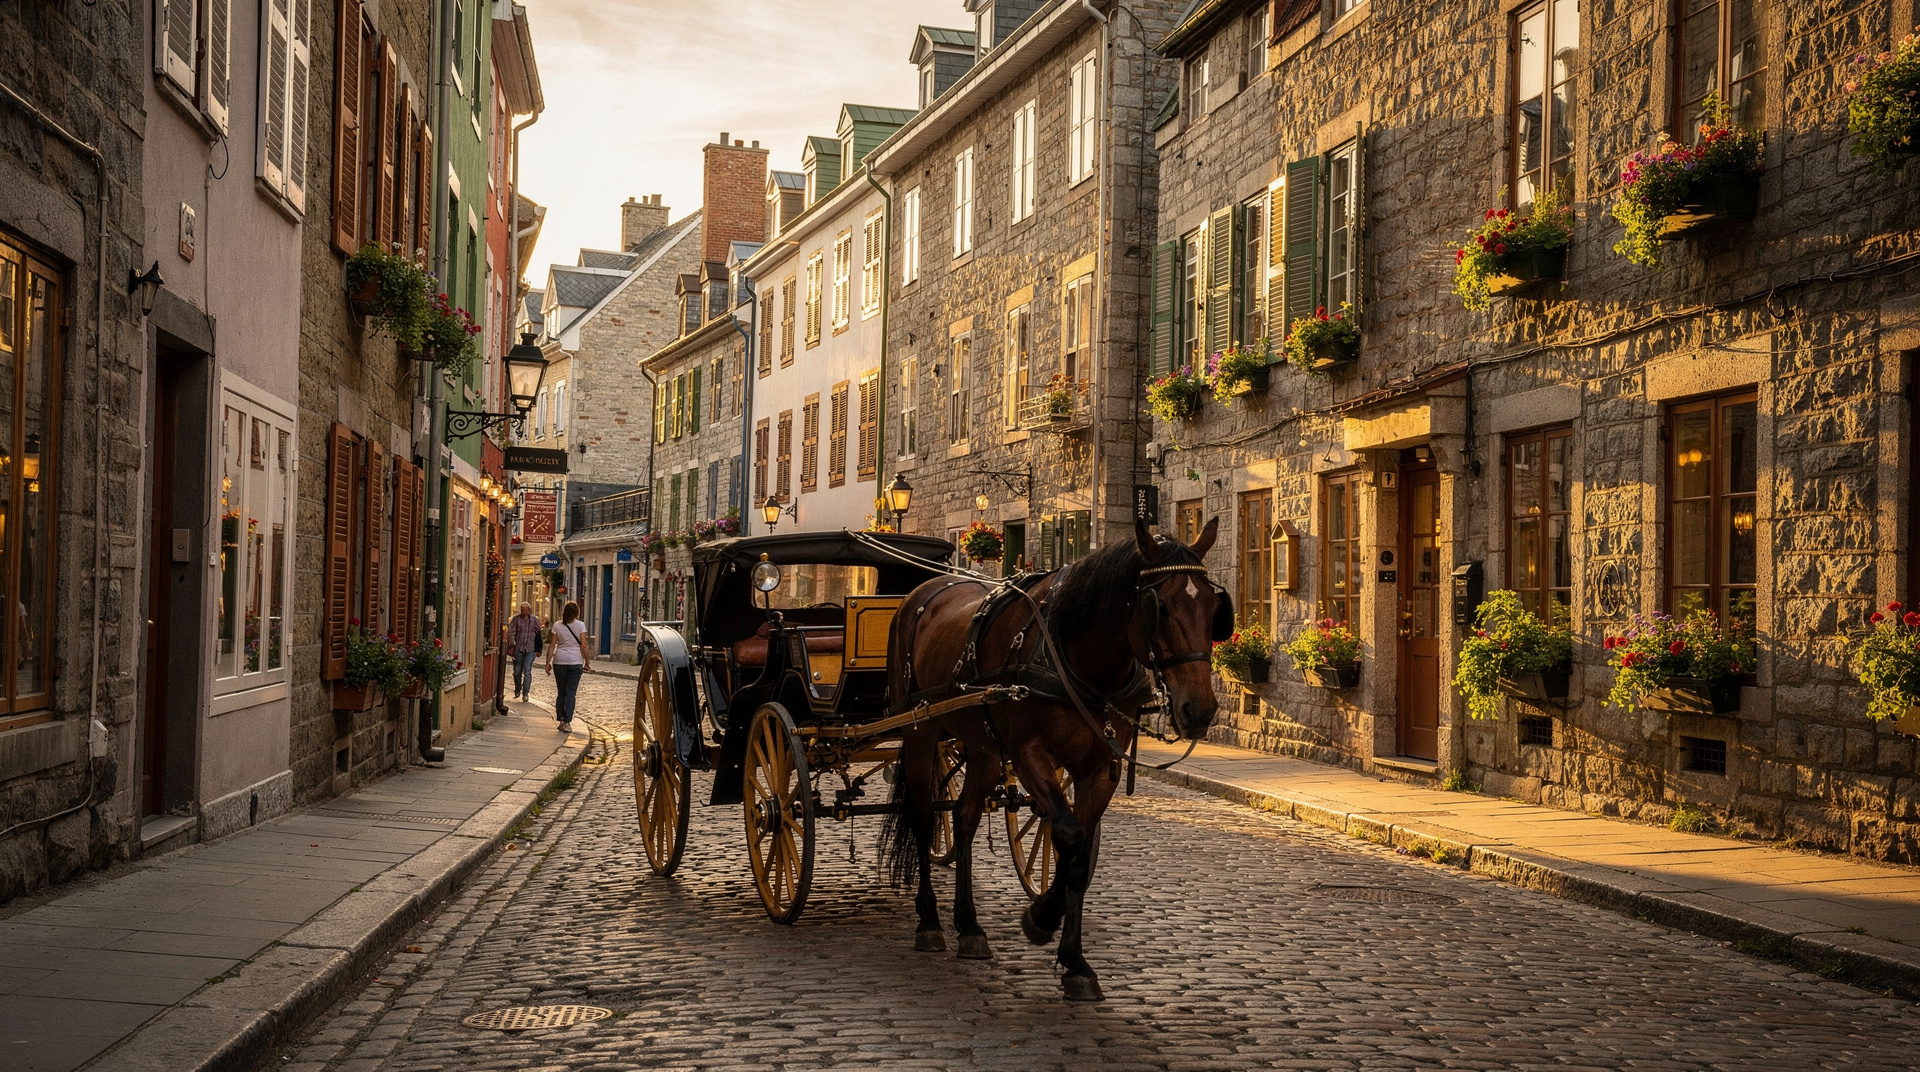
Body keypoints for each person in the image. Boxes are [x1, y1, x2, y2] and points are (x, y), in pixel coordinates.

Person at [544, 600, 590, 733]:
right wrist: (587, 662)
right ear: (577, 612)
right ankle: (567, 721)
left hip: (559, 661)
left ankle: (560, 719)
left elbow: (552, 645)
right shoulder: (580, 625)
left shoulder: (558, 625)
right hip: (575, 662)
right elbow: (584, 645)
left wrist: (547, 663)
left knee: (561, 692)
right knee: (571, 693)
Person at [507, 603, 541, 701]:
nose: (524, 612)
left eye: (526, 610)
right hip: (519, 648)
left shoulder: (534, 620)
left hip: (530, 649)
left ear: (530, 610)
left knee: (527, 671)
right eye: (522, 609)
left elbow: (538, 635)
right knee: (517, 672)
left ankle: (526, 693)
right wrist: (511, 645)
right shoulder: (516, 619)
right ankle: (518, 689)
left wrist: (538, 649)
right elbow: (510, 632)